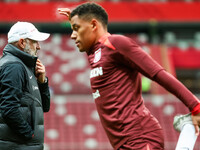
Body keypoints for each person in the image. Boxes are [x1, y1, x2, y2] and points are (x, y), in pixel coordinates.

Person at [58, 3, 200, 150]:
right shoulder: (95, 53)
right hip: (124, 142)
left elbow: (157, 73)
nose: (72, 35)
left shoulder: (117, 44)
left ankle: (188, 131)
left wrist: (195, 106)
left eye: (76, 28)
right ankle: (187, 130)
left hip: (140, 136)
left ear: (93, 25)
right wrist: (77, 21)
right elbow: (91, 44)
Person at [0, 21, 51, 150]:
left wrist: (42, 81)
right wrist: (30, 135)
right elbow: (9, 108)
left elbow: (44, 107)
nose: (39, 46)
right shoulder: (14, 66)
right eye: (35, 42)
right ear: (22, 43)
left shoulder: (22, 66)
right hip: (17, 145)